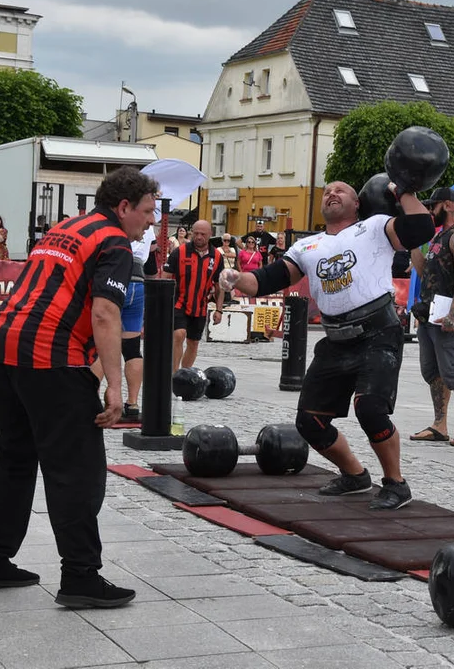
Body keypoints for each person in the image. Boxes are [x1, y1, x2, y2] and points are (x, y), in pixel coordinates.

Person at [0, 166, 157, 610]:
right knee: (77, 469)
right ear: (124, 207)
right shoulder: (113, 240)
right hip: (51, 357)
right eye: (148, 212)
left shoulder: (65, 228)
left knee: (12, 461)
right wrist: (116, 387)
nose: (151, 222)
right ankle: (80, 576)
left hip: (4, 348)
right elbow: (105, 315)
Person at [219, 181, 435, 510]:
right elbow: (265, 280)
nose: (332, 193)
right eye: (327, 191)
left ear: (357, 203)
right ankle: (355, 475)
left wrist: (405, 189)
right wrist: (235, 278)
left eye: (341, 191)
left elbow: (421, 228)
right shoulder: (307, 247)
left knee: (371, 409)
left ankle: (396, 483)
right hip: (335, 339)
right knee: (310, 421)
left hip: (378, 332)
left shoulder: (374, 227)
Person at [408, 187, 454, 448]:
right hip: (429, 312)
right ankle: (440, 425)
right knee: (432, 372)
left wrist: (453, 315)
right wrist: (414, 247)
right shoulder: (440, 237)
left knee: (452, 371)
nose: (430, 210)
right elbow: (424, 272)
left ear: (449, 205)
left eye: (434, 205)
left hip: (445, 315)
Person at [91, 225, 153, 422]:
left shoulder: (113, 224)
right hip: (138, 281)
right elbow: (151, 265)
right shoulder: (146, 227)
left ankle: (92, 397)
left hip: (116, 276)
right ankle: (132, 403)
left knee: (101, 343)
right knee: (133, 347)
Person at [164, 220, 224, 370]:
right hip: (179, 302)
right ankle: (174, 373)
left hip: (200, 306)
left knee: (194, 342)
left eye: (202, 234)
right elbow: (165, 277)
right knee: (179, 334)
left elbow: (219, 285)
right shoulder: (180, 251)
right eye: (196, 233)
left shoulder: (216, 256)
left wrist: (219, 309)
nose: (198, 237)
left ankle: (185, 373)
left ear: (210, 235)